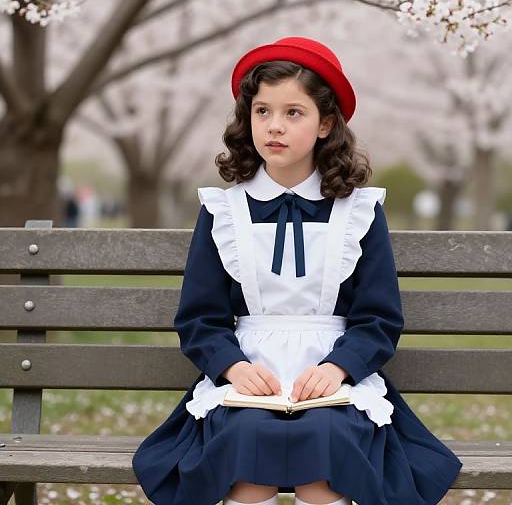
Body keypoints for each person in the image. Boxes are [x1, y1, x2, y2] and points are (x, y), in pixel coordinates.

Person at [132, 36, 463, 505]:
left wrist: (338, 368)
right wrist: (232, 368)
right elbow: (199, 317)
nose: (275, 126)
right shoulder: (223, 211)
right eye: (262, 111)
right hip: (249, 379)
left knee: (325, 443)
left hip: (333, 381)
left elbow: (379, 318)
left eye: (294, 112)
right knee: (247, 442)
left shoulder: (358, 212)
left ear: (326, 123)